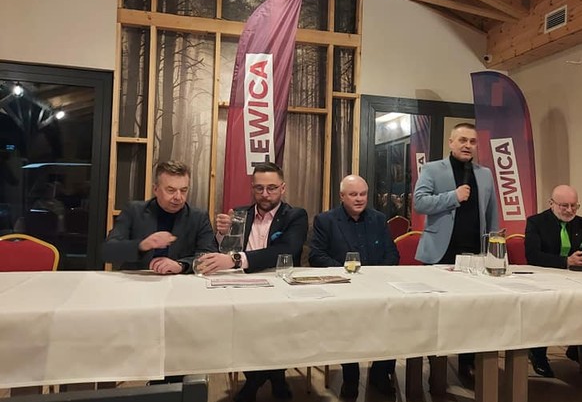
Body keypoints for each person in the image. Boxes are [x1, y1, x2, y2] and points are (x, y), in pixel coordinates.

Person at [196, 162, 308, 402]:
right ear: (252, 188)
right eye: (259, 188)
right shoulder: (239, 214)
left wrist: (236, 259)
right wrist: (222, 234)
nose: (265, 194)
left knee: (275, 329)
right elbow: (223, 251)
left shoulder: (295, 216)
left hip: (280, 288)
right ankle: (276, 378)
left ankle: (255, 382)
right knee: (239, 328)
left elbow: (286, 250)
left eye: (271, 188)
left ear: (283, 188)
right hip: (243, 287)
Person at [412, 122, 499, 380]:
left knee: (472, 313)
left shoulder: (485, 174)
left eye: (472, 141)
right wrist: (453, 196)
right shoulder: (432, 169)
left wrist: (493, 249)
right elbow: (419, 203)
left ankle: (467, 364)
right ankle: (436, 368)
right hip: (440, 252)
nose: (467, 145)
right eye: (462, 140)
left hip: (474, 255)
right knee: (436, 314)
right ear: (451, 143)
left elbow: (492, 213)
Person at [308, 175, 399, 399]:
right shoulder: (326, 220)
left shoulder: (378, 219)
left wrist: (374, 276)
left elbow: (392, 254)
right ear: (342, 196)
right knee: (348, 329)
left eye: (363, 194)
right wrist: (346, 273)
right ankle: (350, 377)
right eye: (353, 194)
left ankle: (380, 374)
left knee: (392, 319)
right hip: (343, 289)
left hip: (378, 288)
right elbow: (316, 256)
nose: (359, 199)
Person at [524, 184, 582, 377]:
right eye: (564, 205)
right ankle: (538, 354)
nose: (570, 210)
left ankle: (580, 351)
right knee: (546, 307)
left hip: (578, 281)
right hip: (545, 279)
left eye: (574, 206)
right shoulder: (536, 222)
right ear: (551, 203)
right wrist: (566, 261)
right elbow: (533, 256)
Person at [103, 160, 217, 274]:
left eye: (183, 190)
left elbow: (209, 257)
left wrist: (181, 265)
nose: (178, 197)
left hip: (179, 281)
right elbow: (109, 252)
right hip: (137, 280)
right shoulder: (134, 211)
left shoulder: (199, 217)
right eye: (171, 190)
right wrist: (142, 245)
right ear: (155, 189)